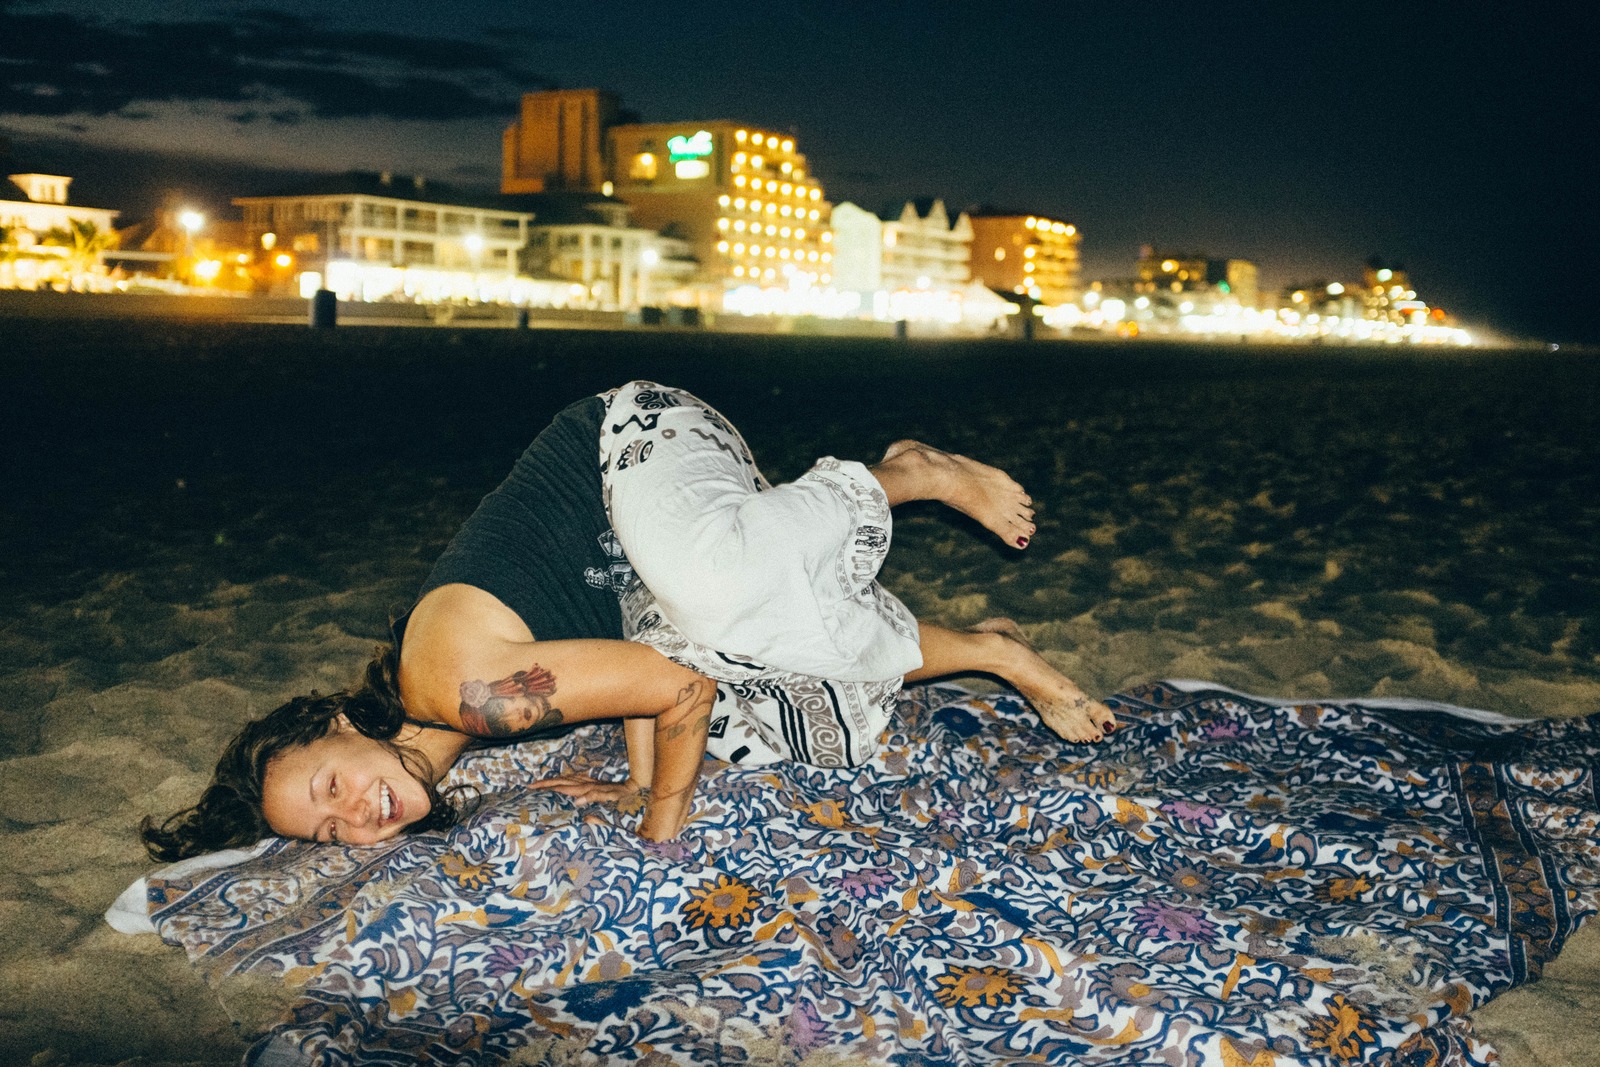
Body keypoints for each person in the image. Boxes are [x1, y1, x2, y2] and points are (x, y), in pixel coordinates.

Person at [142, 382, 1115, 861]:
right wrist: (634, 777)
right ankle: (995, 653)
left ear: (339, 728)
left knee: (718, 594)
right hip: (648, 566)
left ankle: (911, 472)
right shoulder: (443, 726)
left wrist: (659, 815)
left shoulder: (468, 697)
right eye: (324, 830)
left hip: (631, 442)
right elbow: (648, 666)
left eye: (327, 785)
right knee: (781, 691)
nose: (354, 814)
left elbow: (670, 685)